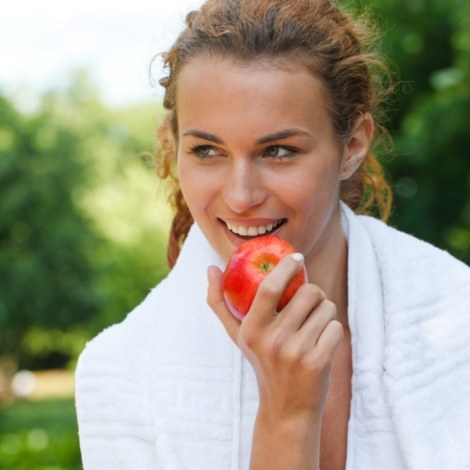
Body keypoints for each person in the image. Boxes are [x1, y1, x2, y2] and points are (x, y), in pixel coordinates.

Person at [75, 0, 470, 469]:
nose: (240, 196)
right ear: (173, 149)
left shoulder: (457, 320)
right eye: (207, 150)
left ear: (353, 146)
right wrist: (287, 419)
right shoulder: (120, 373)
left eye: (279, 150)